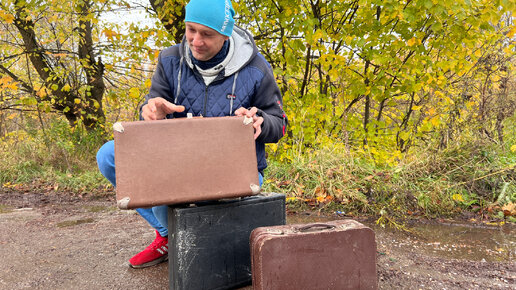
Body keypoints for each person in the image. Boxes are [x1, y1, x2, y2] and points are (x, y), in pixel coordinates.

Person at [96, 0, 287, 269]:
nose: (196, 41)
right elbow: (152, 107)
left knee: (194, 220)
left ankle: (198, 244)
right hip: (176, 163)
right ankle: (168, 235)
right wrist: (150, 113)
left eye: (207, 34)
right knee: (108, 155)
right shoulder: (169, 59)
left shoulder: (255, 68)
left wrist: (260, 122)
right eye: (190, 30)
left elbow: (278, 124)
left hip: (231, 167)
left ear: (225, 34)